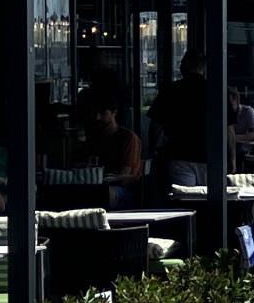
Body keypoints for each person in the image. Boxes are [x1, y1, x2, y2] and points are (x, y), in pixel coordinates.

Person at [148, 49, 211, 186]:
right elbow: (228, 129)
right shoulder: (214, 91)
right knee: (210, 199)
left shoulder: (171, 90)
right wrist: (232, 158)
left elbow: (156, 125)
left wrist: (153, 149)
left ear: (186, 65)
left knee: (183, 198)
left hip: (179, 154)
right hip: (210, 155)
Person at [88, 92, 142, 207]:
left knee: (104, 193)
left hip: (124, 189)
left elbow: (124, 174)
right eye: (95, 113)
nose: (98, 117)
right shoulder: (95, 137)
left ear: (114, 113)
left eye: (103, 113)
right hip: (98, 185)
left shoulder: (127, 138)